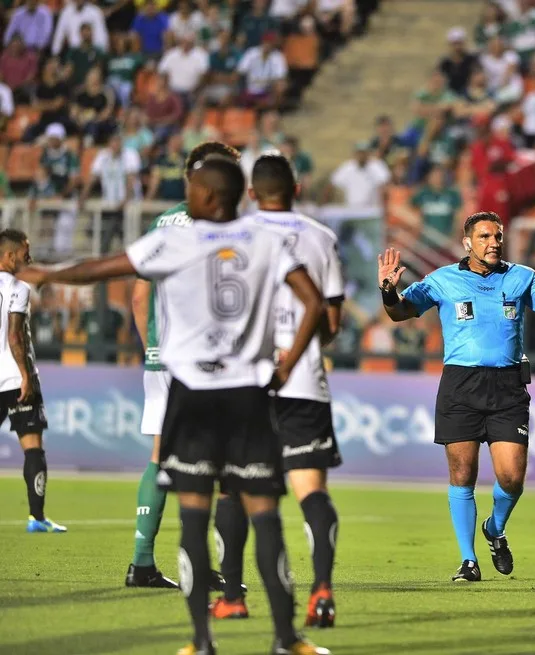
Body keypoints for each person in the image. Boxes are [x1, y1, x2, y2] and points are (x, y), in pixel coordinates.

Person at [28, 155, 330, 655]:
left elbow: (100, 270)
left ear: (210, 195)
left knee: (193, 517)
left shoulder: (174, 239)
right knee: (265, 516)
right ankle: (285, 639)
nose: (185, 195)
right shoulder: (267, 241)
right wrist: (285, 365)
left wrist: (46, 274)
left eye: (191, 188)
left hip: (191, 397)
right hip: (248, 397)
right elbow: (313, 301)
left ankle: (200, 642)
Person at [377, 211, 535, 581]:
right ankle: (468, 560)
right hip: (460, 385)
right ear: (467, 243)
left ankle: (495, 528)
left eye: (497, 236)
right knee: (462, 474)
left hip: (508, 386)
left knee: (511, 477)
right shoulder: (443, 279)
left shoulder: (521, 277)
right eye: (484, 237)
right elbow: (401, 312)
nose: (494, 242)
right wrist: (387, 291)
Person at [211, 153, 345, 630]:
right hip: (304, 379)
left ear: (251, 192)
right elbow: (330, 324)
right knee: (311, 491)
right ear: (298, 188)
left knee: (232, 489)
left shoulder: (231, 236)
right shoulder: (322, 238)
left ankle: (231, 597)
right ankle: (323, 592)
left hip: (244, 382)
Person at [124, 141, 241, 591]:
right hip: (207, 359)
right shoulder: (220, 220)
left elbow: (138, 295)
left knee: (159, 456)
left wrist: (152, 346)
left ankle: (142, 562)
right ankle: (210, 568)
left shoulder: (162, 222)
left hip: (161, 356)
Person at [0, 231, 64, 533]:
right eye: (26, 251)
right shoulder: (18, 287)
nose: (30, 257)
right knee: (33, 447)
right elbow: (14, 335)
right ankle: (37, 518)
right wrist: (26, 376)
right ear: (9, 256)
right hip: (15, 379)